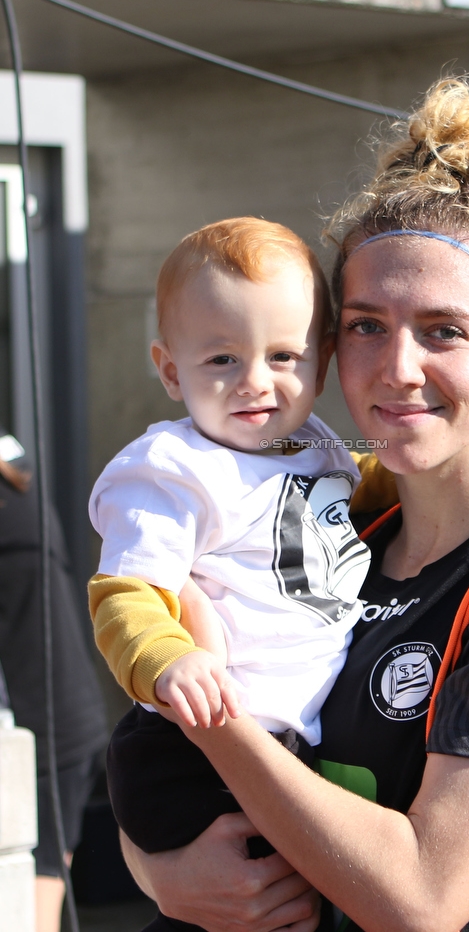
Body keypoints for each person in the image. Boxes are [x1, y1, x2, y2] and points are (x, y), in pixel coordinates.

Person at [117, 78, 469, 932]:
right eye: (365, 325)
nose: (396, 367)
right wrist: (163, 873)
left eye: (443, 330)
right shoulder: (326, 515)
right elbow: (147, 758)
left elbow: (422, 900)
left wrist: (221, 725)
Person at [88, 218, 378, 928]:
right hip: (193, 744)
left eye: (284, 356)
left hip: (288, 748)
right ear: (169, 369)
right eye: (221, 360)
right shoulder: (171, 470)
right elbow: (127, 593)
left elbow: (377, 494)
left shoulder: (320, 446)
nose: (256, 382)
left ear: (323, 360)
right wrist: (170, 662)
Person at [0, 428, 107, 932]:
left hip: (45, 723)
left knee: (36, 881)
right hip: (67, 713)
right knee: (45, 869)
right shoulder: (13, 466)